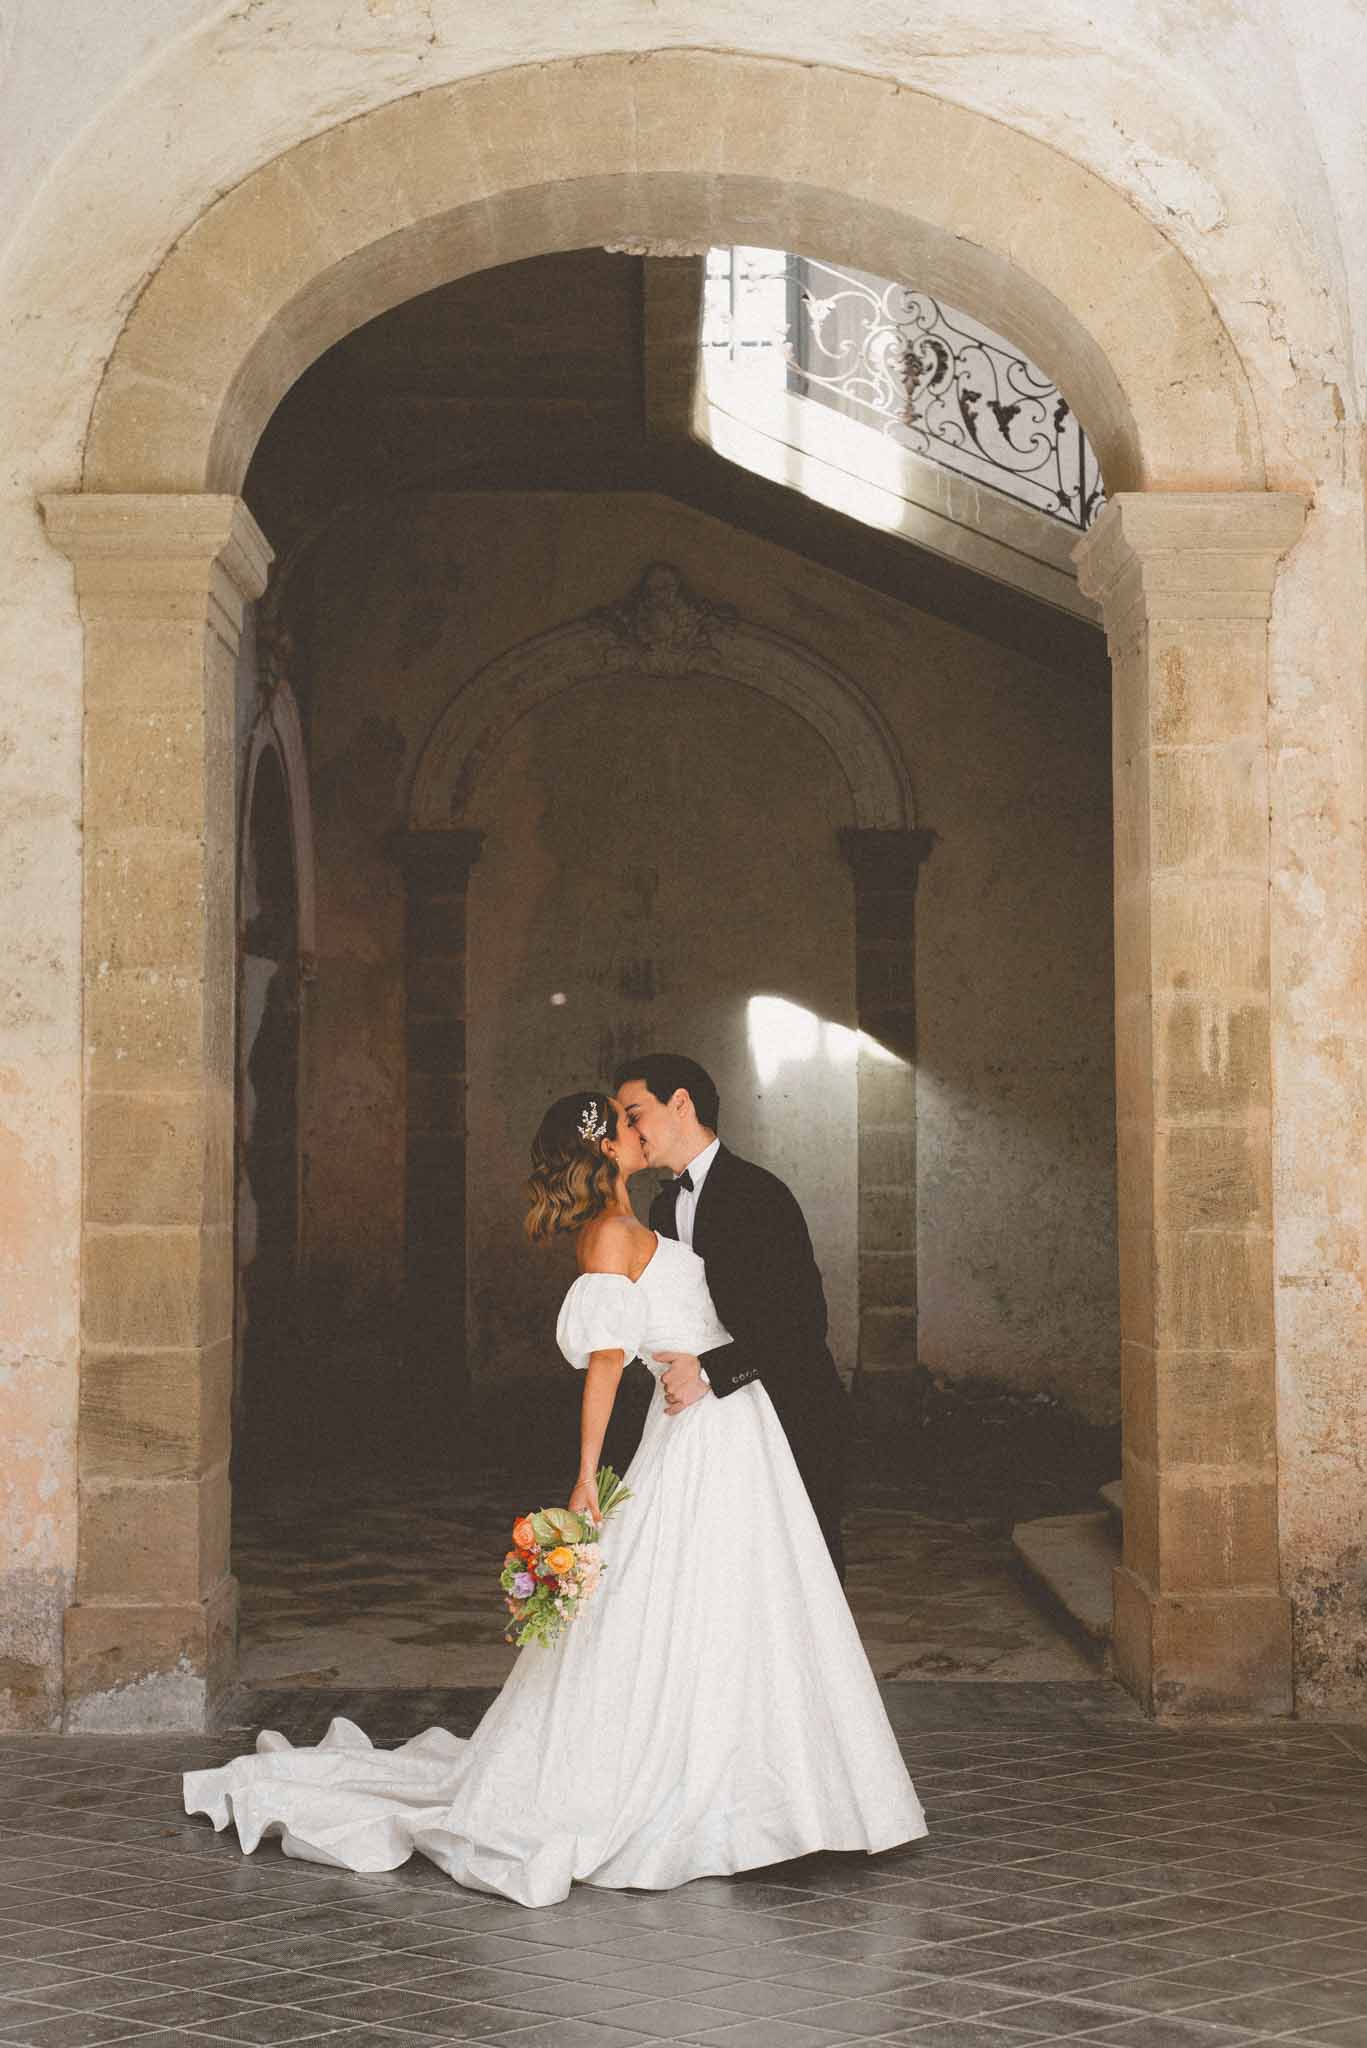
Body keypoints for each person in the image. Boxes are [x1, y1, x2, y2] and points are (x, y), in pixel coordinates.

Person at [183, 1091, 925, 1908]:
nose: (640, 1130)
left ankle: (771, 1792)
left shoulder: (648, 1221)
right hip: (698, 1434)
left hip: (733, 1426)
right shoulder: (610, 1235)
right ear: (607, 1148)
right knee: (687, 1604)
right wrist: (583, 1475)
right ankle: (714, 1795)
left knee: (746, 1603)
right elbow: (606, 1364)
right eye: (626, 1122)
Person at [614, 1053, 851, 1577]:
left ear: (680, 1104)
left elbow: (803, 1323)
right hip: (708, 1426)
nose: (628, 1130)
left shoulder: (761, 1195)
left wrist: (707, 1371)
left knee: (798, 1576)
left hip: (791, 1413)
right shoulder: (660, 1209)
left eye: (634, 1113)